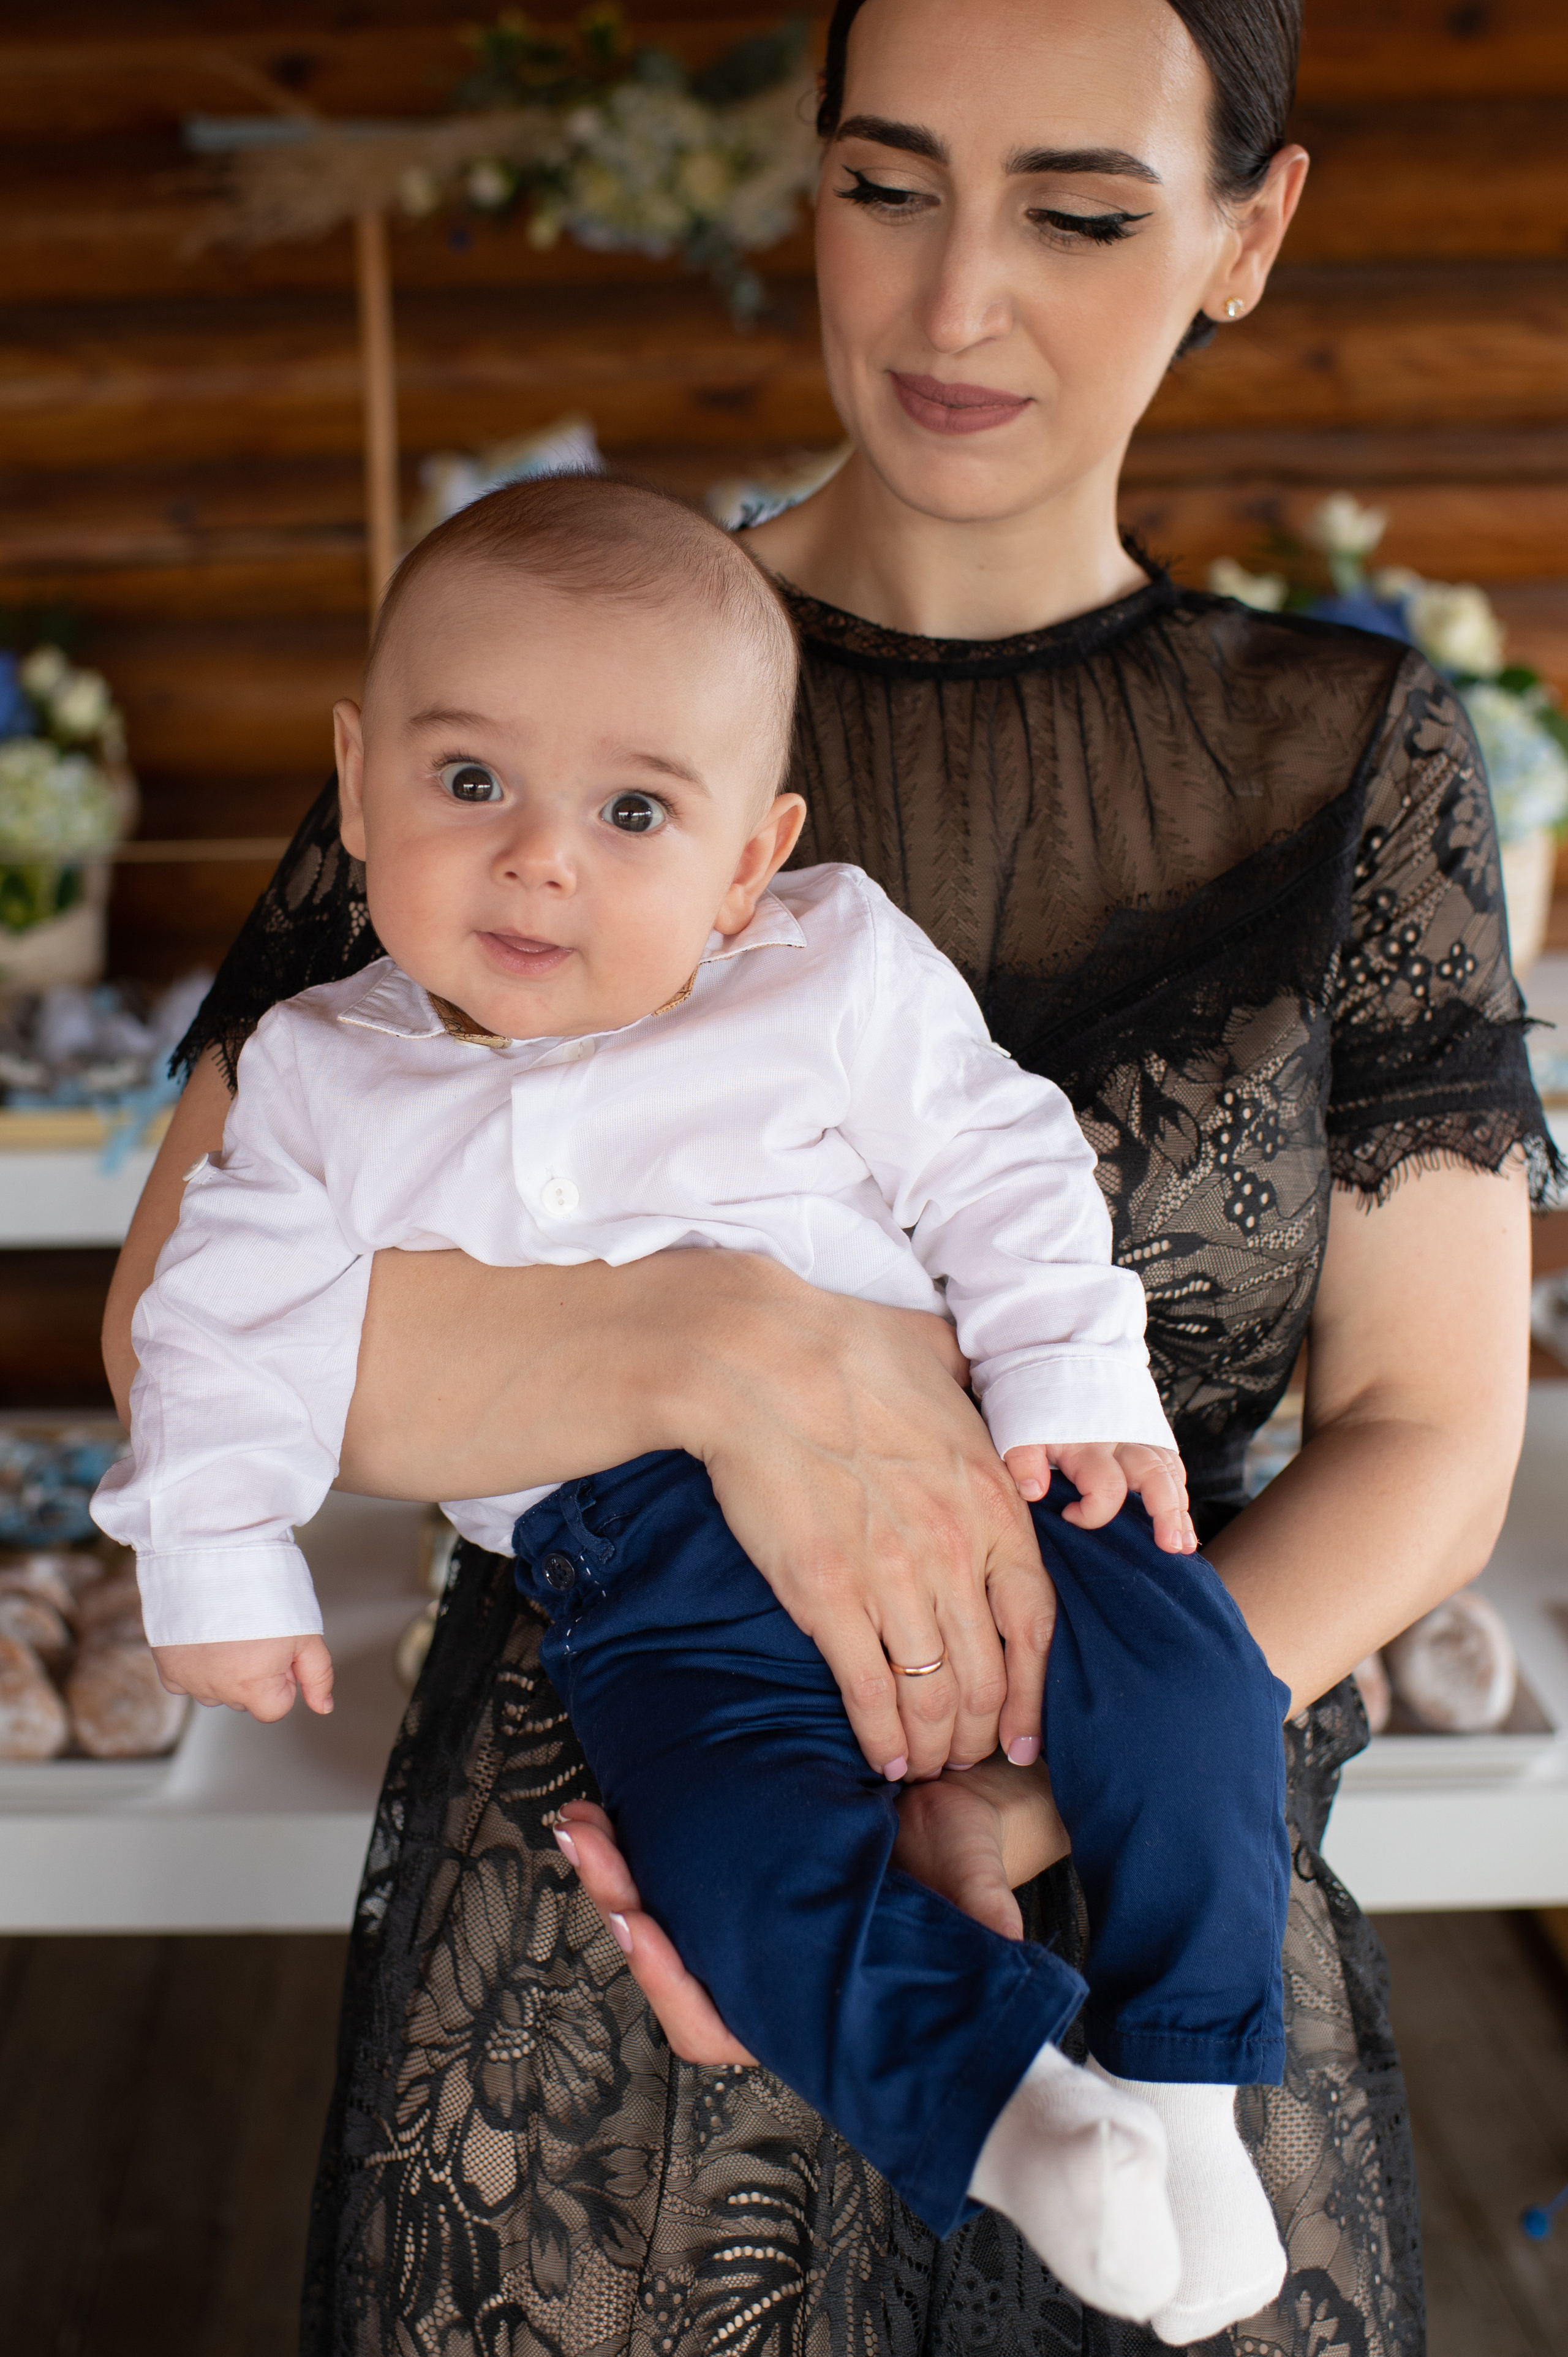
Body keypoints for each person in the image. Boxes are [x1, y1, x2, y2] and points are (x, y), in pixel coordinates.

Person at [102, 2, 1540, 2350]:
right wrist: (730, 1349)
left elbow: (1432, 1436)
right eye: (887, 187)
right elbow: (179, 1301)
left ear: (1250, 232)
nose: (955, 299)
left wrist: (1007, 1808)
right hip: (611, 1927)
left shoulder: (1350, 754)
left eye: (1079, 214)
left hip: (1146, 1854)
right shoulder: (545, 680)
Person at [99, 473, 1295, 2342]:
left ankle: (1185, 2088)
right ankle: (1014, 2117)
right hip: (637, 1573)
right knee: (731, 1874)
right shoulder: (322, 1081)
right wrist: (216, 1551)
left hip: (976, 1476)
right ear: (354, 782)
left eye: (635, 810)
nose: (539, 861)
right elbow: (210, 1327)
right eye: (469, 782)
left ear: (752, 857)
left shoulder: (827, 971)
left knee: (1195, 1682)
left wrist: (1072, 1378)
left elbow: (1005, 1164)